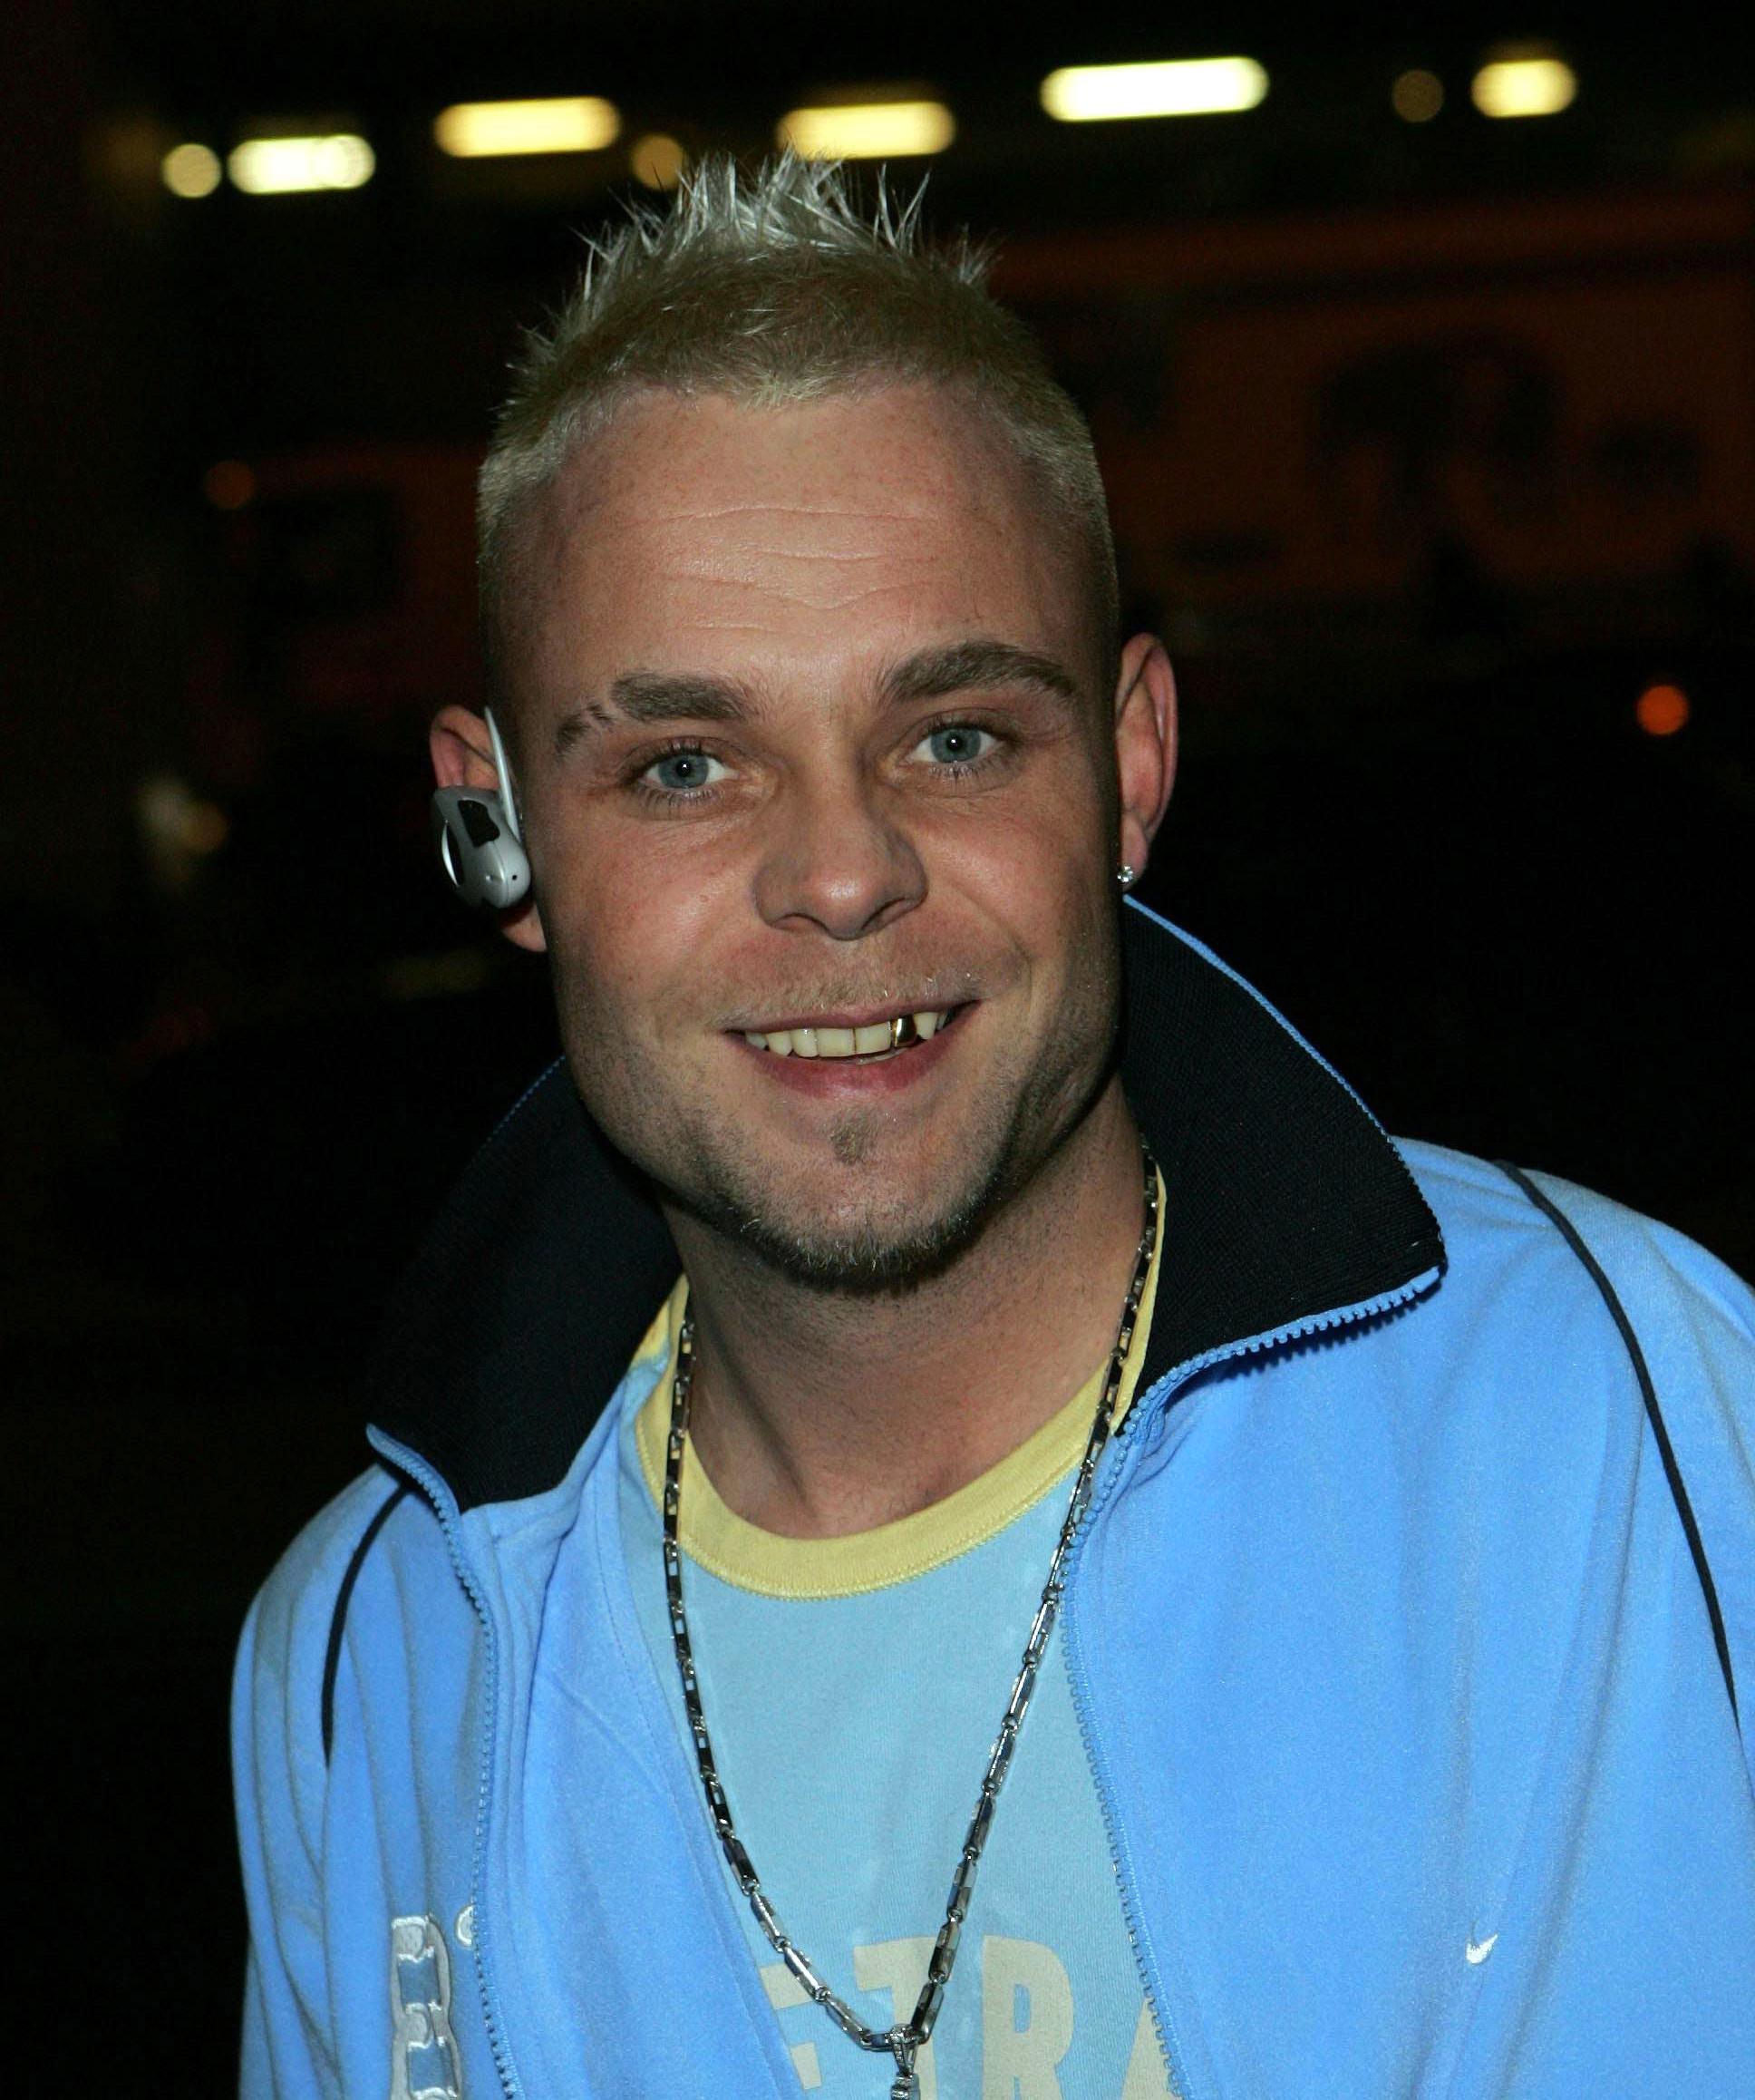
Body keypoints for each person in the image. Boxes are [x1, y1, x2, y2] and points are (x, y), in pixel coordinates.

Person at [233, 156, 1755, 2100]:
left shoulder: (1629, 1426)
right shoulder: (364, 1663)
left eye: (953, 736)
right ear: (493, 822)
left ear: (1126, 766)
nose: (844, 875)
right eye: (685, 766)